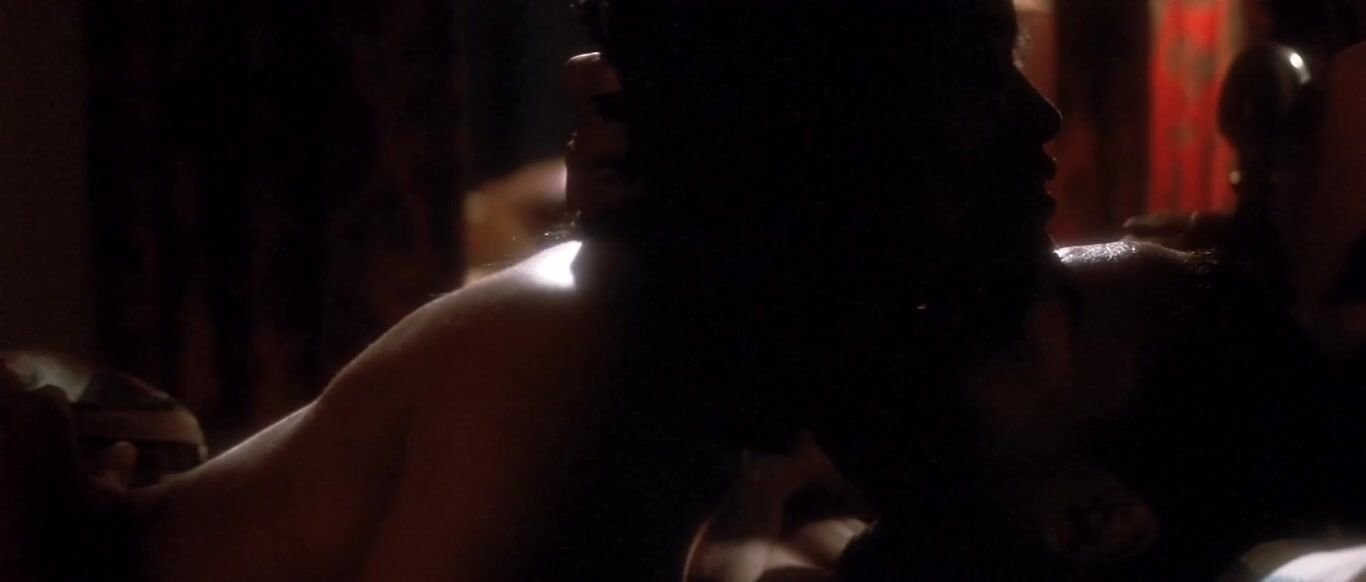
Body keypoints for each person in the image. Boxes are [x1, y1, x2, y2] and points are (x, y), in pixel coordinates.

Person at [0, 1, 1069, 580]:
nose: (1044, 119)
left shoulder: (620, 352)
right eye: (982, 69)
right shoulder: (582, 350)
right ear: (823, 116)